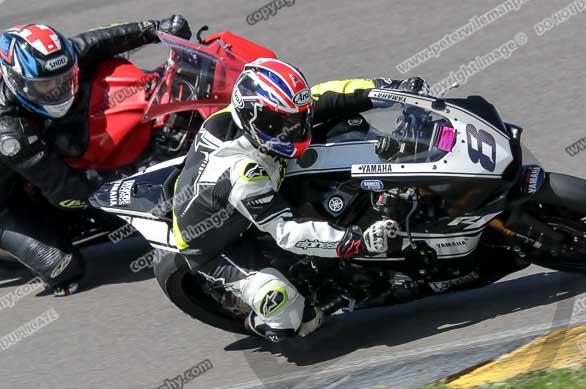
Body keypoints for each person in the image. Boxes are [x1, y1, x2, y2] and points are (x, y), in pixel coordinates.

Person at [172, 58, 429, 341]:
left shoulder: (258, 118)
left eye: (299, 117)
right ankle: (262, 320)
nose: (297, 126)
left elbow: (325, 96)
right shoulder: (241, 172)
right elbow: (288, 232)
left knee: (345, 125)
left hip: (261, 180)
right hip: (216, 245)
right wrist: (357, 241)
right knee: (291, 314)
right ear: (258, 117)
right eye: (286, 122)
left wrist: (390, 90)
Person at [0, 17, 192, 295]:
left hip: (32, 157)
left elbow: (96, 42)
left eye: (64, 79)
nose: (58, 90)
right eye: (46, 87)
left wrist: (154, 28)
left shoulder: (47, 64)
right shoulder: (10, 135)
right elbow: (68, 193)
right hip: (6, 203)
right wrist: (131, 181)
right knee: (65, 271)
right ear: (17, 82)